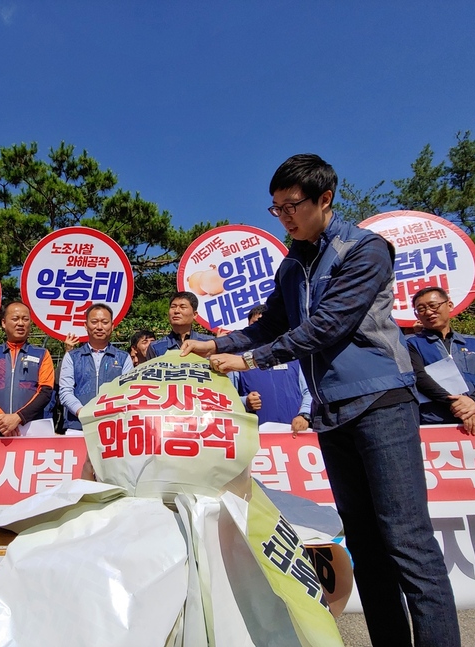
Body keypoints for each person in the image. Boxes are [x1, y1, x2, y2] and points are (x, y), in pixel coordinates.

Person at [181, 154, 460, 647]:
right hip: (332, 412)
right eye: (276, 209)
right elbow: (272, 324)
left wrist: (249, 363)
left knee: (407, 541)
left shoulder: (365, 249)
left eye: (292, 206)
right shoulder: (291, 265)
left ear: (324, 199)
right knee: (366, 547)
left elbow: (327, 325)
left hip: (380, 401)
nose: (285, 217)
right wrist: (218, 343)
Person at [407, 286, 475, 432]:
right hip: (438, 423)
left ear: (449, 305)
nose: (429, 312)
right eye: (421, 309)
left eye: (433, 305)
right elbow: (419, 377)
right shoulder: (410, 343)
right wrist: (457, 406)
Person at [0, 302, 54, 437]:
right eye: (15, 319)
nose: (21, 323)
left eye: (25, 319)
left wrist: (18, 418)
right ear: (4, 323)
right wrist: (1, 420)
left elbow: (45, 391)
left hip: (31, 430)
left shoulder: (42, 354)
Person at [229, 305, 313, 431]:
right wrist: (245, 401)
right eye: (255, 325)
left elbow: (309, 391)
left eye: (266, 324)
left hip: (295, 434)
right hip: (255, 436)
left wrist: (304, 415)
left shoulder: (294, 356)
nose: (261, 330)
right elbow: (227, 398)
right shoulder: (237, 361)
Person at [59, 303, 132, 432]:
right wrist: (83, 413)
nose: (99, 327)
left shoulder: (123, 358)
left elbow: (128, 392)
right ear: (86, 326)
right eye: (94, 322)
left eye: (104, 322)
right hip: (77, 427)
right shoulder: (72, 357)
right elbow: (65, 392)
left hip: (113, 427)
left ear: (112, 326)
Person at [146, 292, 212, 359]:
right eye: (173, 307)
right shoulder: (156, 347)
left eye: (183, 307)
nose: (176, 311)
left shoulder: (209, 343)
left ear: (194, 314)